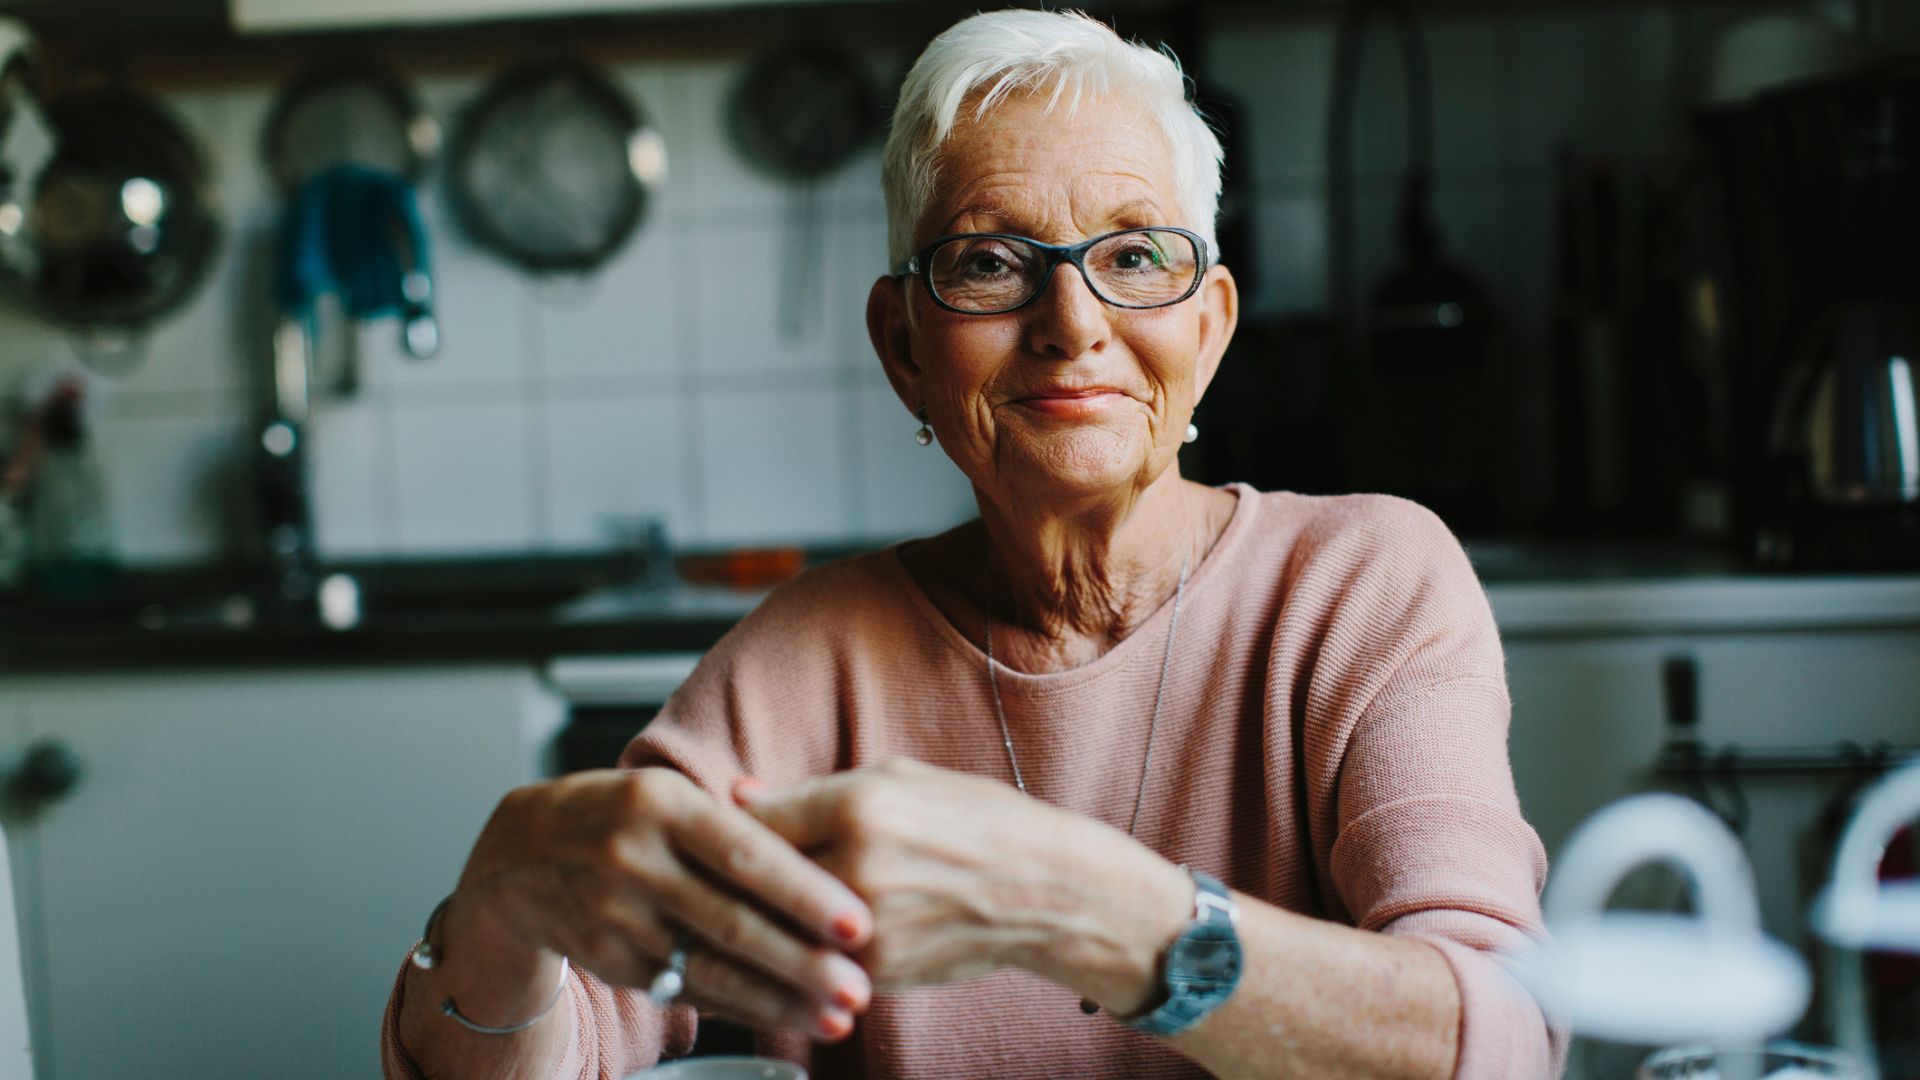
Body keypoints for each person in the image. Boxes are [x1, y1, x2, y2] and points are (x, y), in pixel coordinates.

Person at [382, 9, 1564, 1078]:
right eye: (991, 263)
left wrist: (1084, 908)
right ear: (904, 347)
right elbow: (540, 1052)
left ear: (1208, 332)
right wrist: (498, 907)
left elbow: (1502, 1038)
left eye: (1136, 256)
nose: (1072, 325)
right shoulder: (806, 663)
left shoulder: (1361, 587)